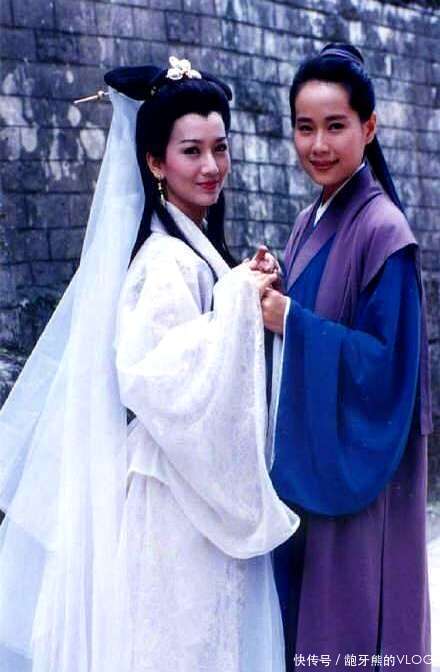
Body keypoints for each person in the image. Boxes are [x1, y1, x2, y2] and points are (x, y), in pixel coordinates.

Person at [0, 57, 299, 672]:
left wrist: (239, 288)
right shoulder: (163, 260)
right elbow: (156, 377)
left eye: (220, 148)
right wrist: (239, 298)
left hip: (190, 486)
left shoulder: (193, 247)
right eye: (192, 151)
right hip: (174, 499)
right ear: (156, 163)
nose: (211, 166)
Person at [260, 44, 431, 670]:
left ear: (369, 127)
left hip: (361, 468)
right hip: (314, 456)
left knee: (351, 623)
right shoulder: (309, 219)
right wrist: (280, 286)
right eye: (304, 127)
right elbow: (320, 306)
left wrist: (292, 321)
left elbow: (388, 368)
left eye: (335, 126)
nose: (318, 145)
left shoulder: (384, 231)